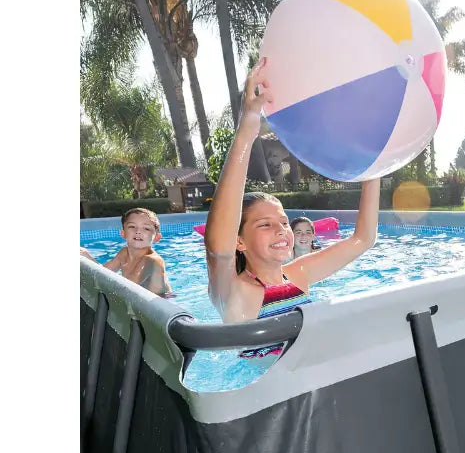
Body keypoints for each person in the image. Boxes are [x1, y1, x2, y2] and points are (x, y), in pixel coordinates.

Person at [204, 57, 380, 342]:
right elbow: (218, 249)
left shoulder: (299, 274)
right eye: (264, 225)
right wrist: (247, 131)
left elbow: (364, 239)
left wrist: (374, 168)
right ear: (240, 241)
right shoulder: (233, 293)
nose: (281, 230)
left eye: (284, 222)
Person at [80, 207, 172, 296]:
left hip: (162, 304)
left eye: (146, 228)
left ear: (157, 237)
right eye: (132, 226)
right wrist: (87, 256)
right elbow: (103, 272)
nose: (138, 231)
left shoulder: (153, 261)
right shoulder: (124, 253)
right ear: (123, 233)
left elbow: (128, 288)